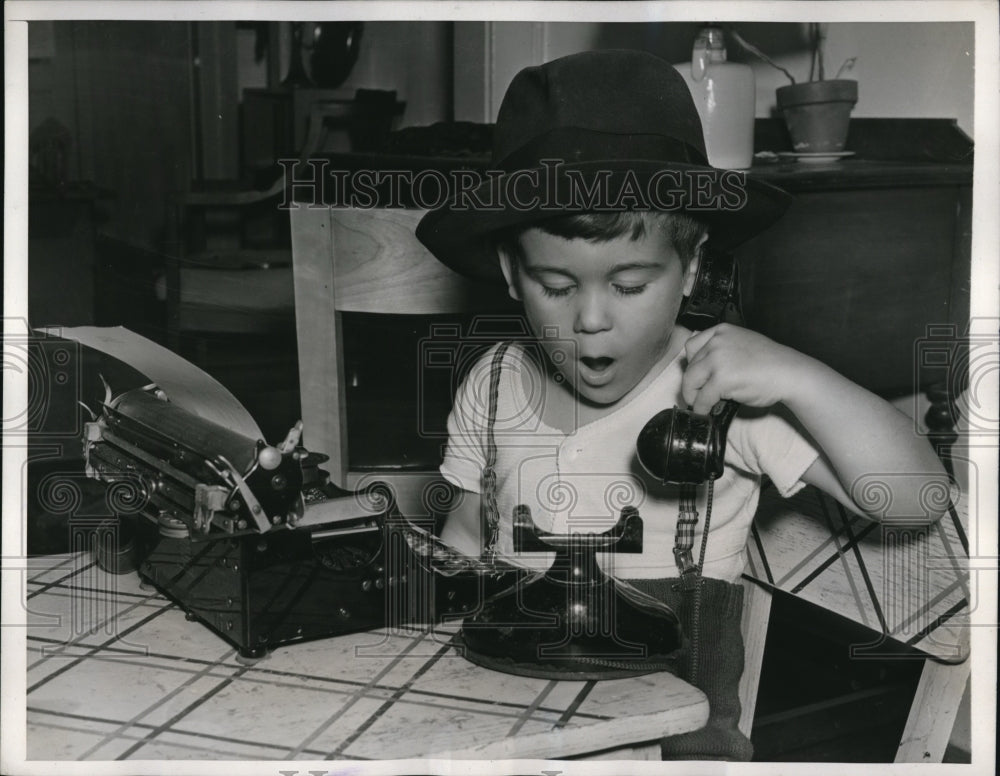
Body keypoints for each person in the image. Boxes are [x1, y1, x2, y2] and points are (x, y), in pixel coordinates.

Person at [413, 49, 948, 761]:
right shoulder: (494, 382)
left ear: (689, 268)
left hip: (675, 748)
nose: (592, 320)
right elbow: (464, 537)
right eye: (556, 284)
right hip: (509, 728)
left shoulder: (725, 395)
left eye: (630, 285)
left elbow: (915, 499)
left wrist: (804, 379)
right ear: (512, 273)